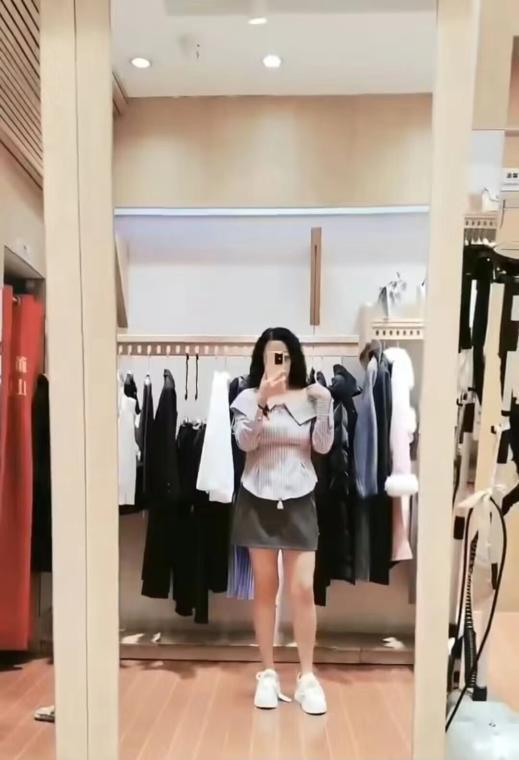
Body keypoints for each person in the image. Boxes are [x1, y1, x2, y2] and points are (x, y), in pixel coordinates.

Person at [231, 327, 333, 714]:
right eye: (273, 356)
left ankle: (307, 677)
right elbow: (245, 443)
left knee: (303, 588)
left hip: (300, 497)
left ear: (295, 359)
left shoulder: (311, 398)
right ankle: (269, 673)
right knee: (265, 588)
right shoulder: (246, 398)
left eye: (286, 356)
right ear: (261, 359)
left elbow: (322, 445)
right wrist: (261, 402)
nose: (281, 363)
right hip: (257, 497)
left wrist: (325, 408)